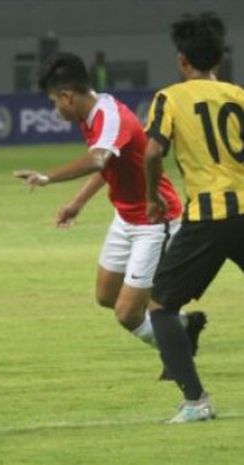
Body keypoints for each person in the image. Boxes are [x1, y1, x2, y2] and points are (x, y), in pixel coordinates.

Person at [14, 52, 206, 377]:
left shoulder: (109, 116)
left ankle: (177, 352)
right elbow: (109, 165)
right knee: (106, 296)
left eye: (53, 102)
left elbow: (98, 160)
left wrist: (47, 177)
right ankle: (185, 325)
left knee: (127, 314)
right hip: (126, 217)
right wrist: (78, 202)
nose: (54, 109)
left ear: (66, 96)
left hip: (154, 219)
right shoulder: (93, 115)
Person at [144, 12, 244, 423]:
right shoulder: (239, 96)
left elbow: (152, 152)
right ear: (219, 58)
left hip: (207, 216)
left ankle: (195, 401)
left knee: (161, 307)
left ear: (183, 60)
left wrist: (152, 197)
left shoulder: (170, 98)